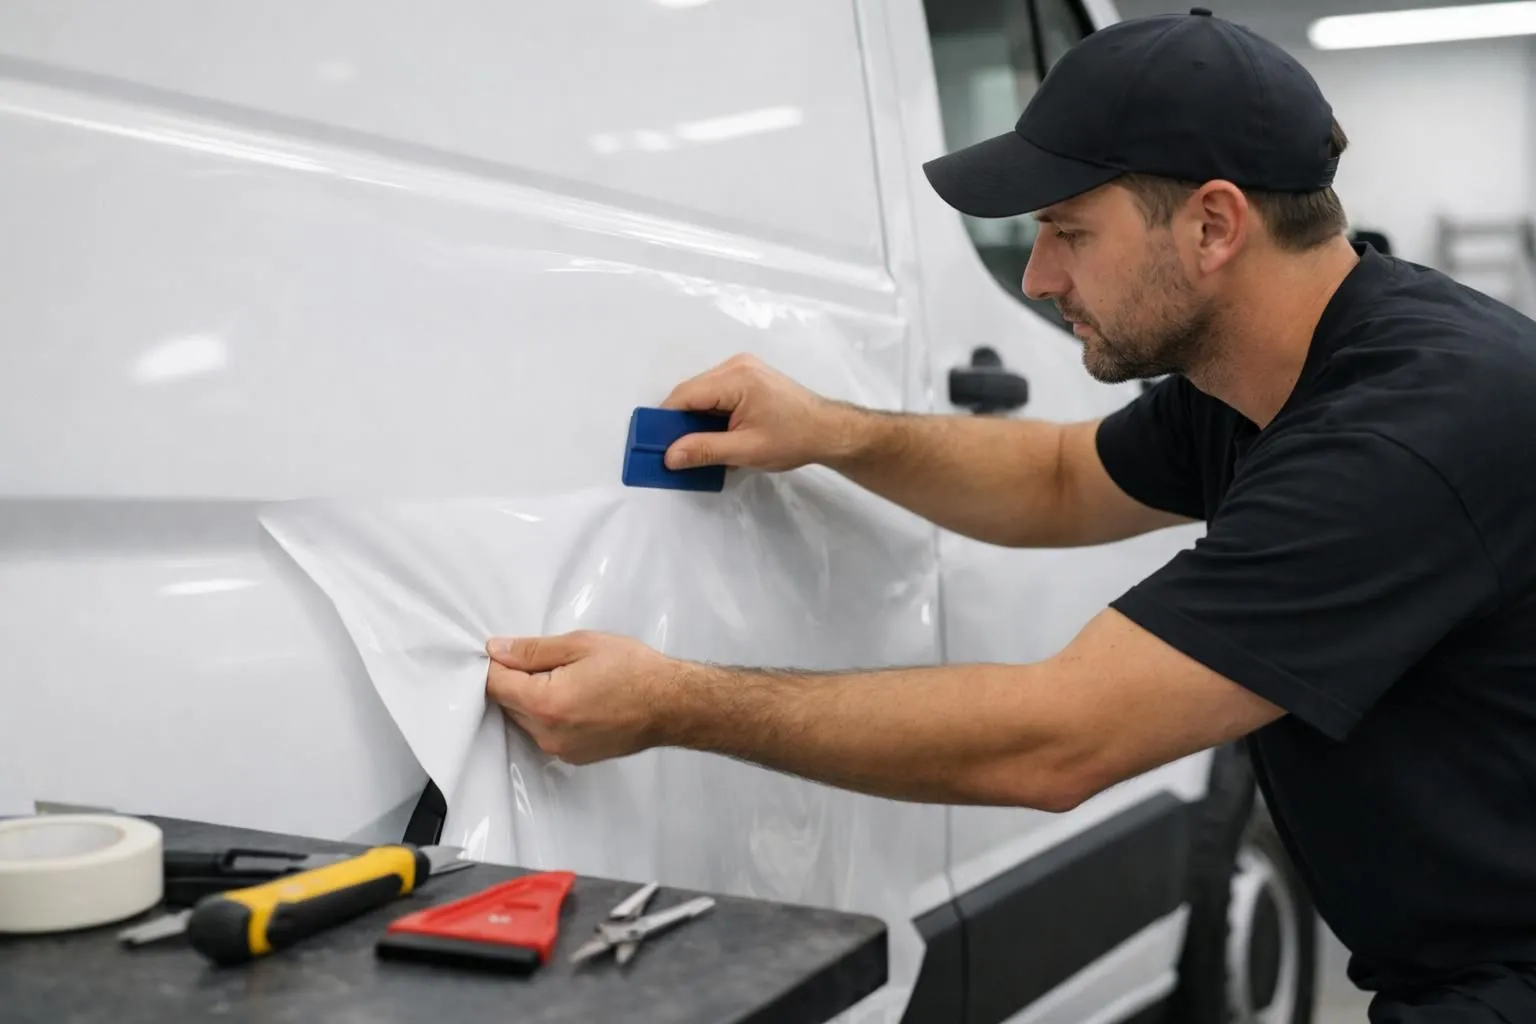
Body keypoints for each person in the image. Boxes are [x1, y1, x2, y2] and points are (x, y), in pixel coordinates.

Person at [485, 9, 1536, 1021]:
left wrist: (671, 705)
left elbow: (1060, 740)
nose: (1038, 277)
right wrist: (830, 431)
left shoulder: (1403, 431)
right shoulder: (1263, 375)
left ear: (1214, 225)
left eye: (1068, 231)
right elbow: (1061, 477)